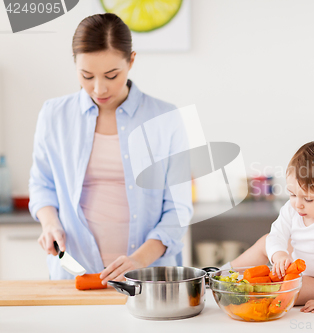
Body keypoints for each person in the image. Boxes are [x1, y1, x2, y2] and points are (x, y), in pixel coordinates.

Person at [29, 13, 192, 283]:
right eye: (86, 75)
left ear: (131, 61)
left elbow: (178, 209)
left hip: (149, 278)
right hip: (75, 274)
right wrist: (50, 224)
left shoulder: (166, 118)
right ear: (75, 65)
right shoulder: (53, 115)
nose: (99, 88)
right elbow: (42, 185)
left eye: (111, 75)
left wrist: (138, 260)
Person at [228, 141, 314, 313]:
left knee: (285, 288)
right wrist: (278, 253)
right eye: (292, 194)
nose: (298, 204)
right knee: (266, 241)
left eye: (308, 199)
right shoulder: (293, 208)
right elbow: (277, 234)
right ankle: (222, 275)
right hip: (298, 263)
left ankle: (245, 292)